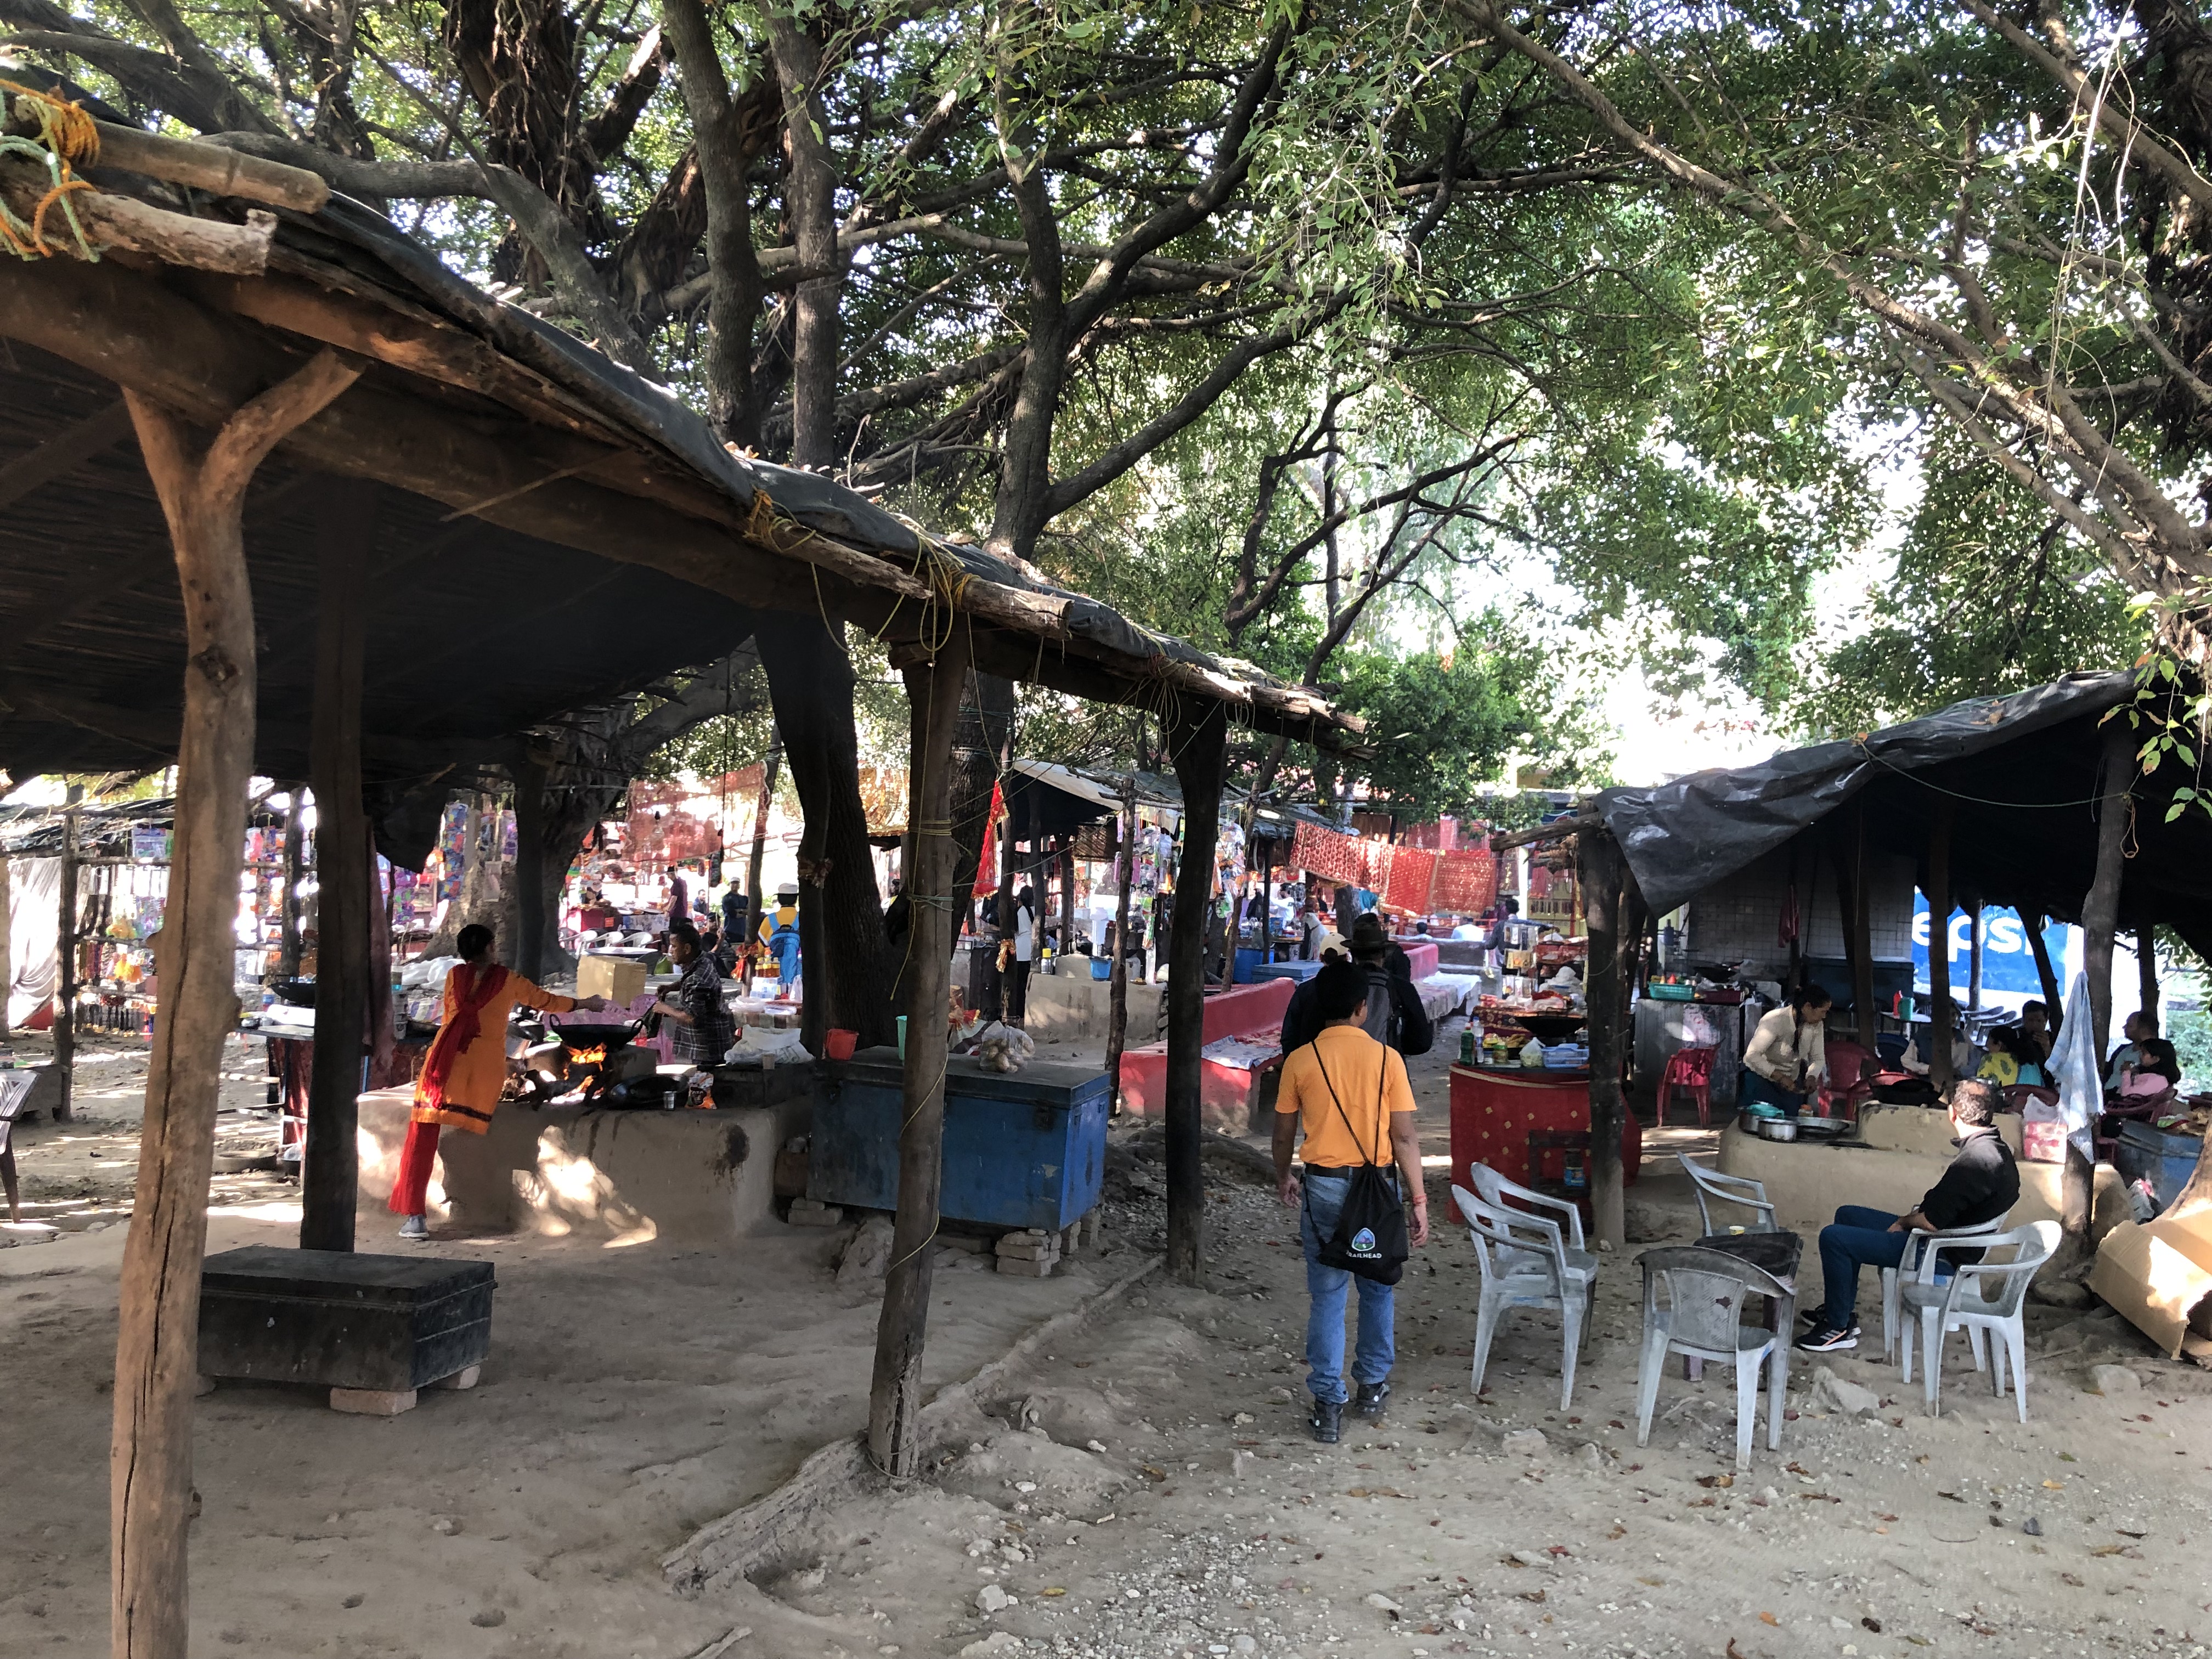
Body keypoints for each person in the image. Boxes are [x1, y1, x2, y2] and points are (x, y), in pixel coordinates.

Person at [1271, 960, 1430, 1443]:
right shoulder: (1388, 1061)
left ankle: (1327, 1403)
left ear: (1322, 1008)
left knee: (1327, 1295)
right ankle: (1373, 1385)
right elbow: (1405, 1139)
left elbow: (1283, 1133)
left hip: (1323, 1186)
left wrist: (1284, 1176)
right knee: (1378, 1285)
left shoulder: (1300, 1061)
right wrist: (1419, 1199)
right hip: (1377, 1188)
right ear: (1363, 1009)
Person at [388, 923, 608, 1239]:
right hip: (482, 1070)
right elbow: (545, 1001)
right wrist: (586, 1004)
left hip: (444, 1064)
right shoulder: (508, 980)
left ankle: (414, 1217)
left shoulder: (454, 977)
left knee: (422, 1136)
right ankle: (502, 1209)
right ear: (491, 947)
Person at [1797, 1077, 2019, 1352]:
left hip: (1940, 1252)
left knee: (1834, 1238)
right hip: (1949, 1240)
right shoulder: (1996, 1148)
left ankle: (1837, 1328)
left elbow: (1930, 1222)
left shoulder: (1976, 1160)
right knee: (1847, 1215)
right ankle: (1841, 1311)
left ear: (1952, 1113)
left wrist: (1904, 1222)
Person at [1281, 914, 1434, 1056]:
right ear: (1384, 954)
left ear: (1352, 953)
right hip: (1383, 1071)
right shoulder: (1402, 988)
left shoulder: (1318, 985)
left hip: (1324, 1070)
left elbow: (1290, 1038)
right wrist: (1395, 1047)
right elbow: (1421, 1042)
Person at [1741, 986, 1831, 1120]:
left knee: (1790, 1122)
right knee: (1760, 1123)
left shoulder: (1817, 1025)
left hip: (1791, 1084)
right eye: (1822, 1011)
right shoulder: (1775, 1020)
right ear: (1807, 1007)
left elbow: (1817, 1058)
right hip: (1761, 1079)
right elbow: (1752, 1056)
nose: (1824, 1016)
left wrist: (1812, 1076)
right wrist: (1780, 1077)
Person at [654, 921, 735, 1064]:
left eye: (674, 946)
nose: (670, 951)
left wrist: (664, 1008)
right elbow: (689, 980)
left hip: (708, 1047)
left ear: (687, 949)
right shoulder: (703, 960)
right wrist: (672, 987)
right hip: (715, 1039)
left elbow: (691, 1017)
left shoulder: (697, 979)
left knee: (705, 1082)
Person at [1002, 884, 1038, 1024]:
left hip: (1021, 949)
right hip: (1033, 949)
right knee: (1028, 984)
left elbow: (1015, 930)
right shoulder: (1037, 911)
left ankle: (1018, 1013)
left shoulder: (1020, 911)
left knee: (1019, 984)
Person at [760, 882, 802, 994]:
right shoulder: (802, 918)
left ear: (779, 899)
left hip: (773, 978)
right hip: (799, 981)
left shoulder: (769, 920)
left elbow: (760, 949)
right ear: (796, 899)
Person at [1976, 1025, 2048, 1089]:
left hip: (2007, 1103)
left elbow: (1979, 1089)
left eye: (1989, 1048)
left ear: (1999, 1044)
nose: (1988, 1052)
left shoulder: (1990, 1059)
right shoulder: (2033, 1065)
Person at [2105, 1009, 2157, 1091]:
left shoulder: (2159, 1053)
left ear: (2144, 1030)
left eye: (2129, 1026)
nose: (2124, 1027)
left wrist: (2136, 1071)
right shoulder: (2122, 1050)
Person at [2119, 1035, 2182, 1099]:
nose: (2140, 1056)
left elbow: (2126, 1094)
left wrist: (2126, 1072)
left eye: (2144, 1053)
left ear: (2156, 1059)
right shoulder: (2153, 1077)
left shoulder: (2157, 1080)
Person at [2019, 999, 2053, 1064]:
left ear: (2046, 1021)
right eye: (2030, 1020)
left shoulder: (2053, 1039)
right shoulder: (2016, 1037)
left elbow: (2058, 1067)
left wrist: (2047, 1047)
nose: (2034, 1025)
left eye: (2039, 1021)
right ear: (2024, 1020)